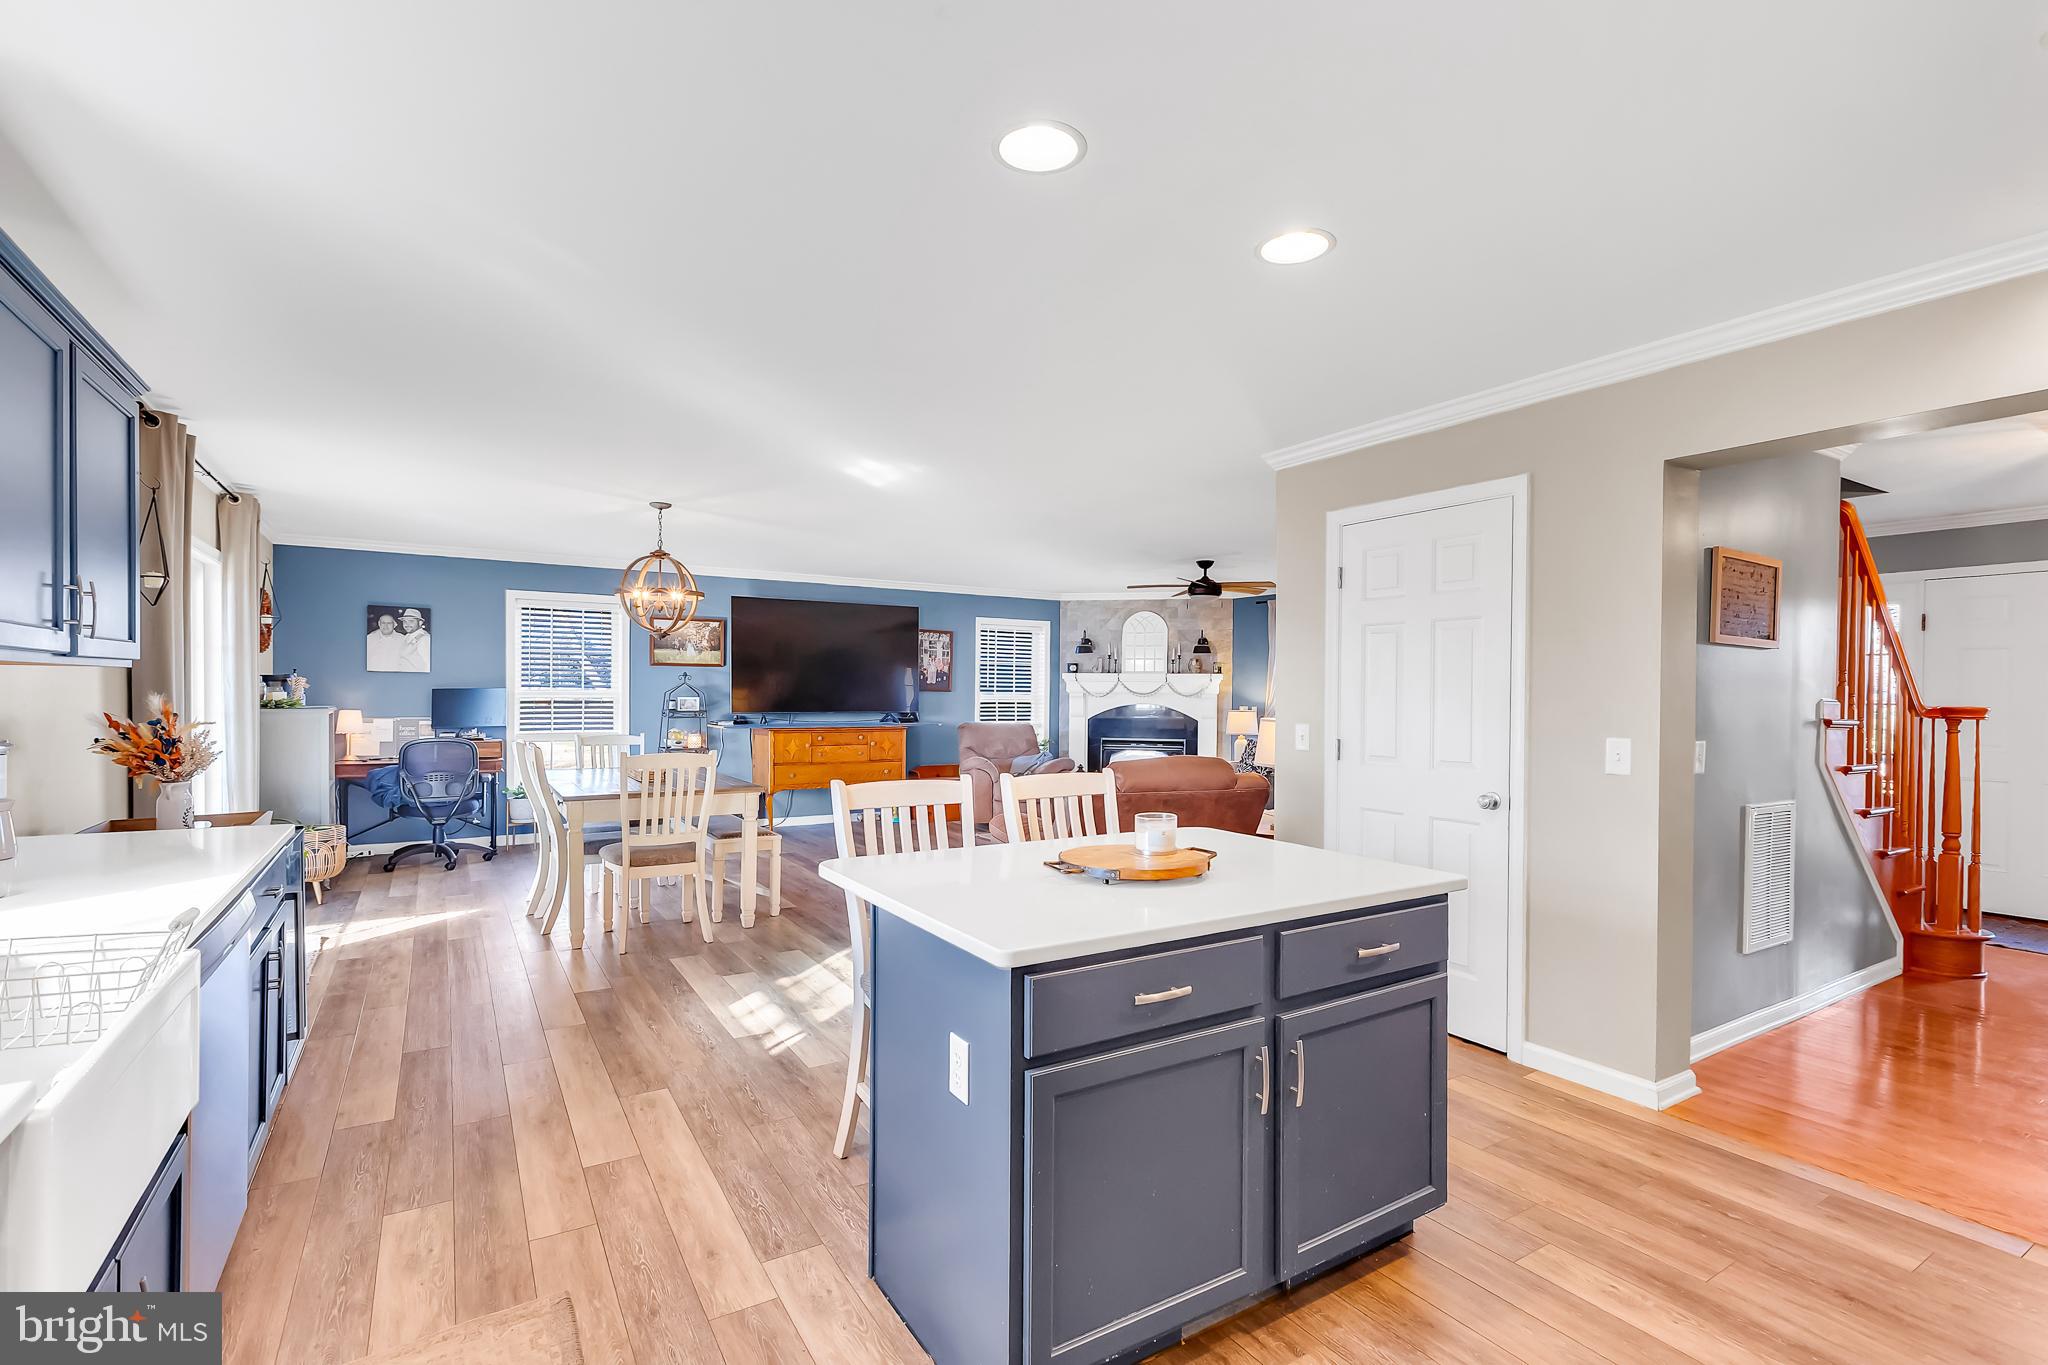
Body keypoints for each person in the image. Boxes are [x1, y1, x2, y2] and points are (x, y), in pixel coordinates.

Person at [395, 608, 431, 672]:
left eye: (411, 621)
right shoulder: (406, 636)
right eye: (405, 621)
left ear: (420, 623)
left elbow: (429, 665)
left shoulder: (424, 638)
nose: (407, 624)